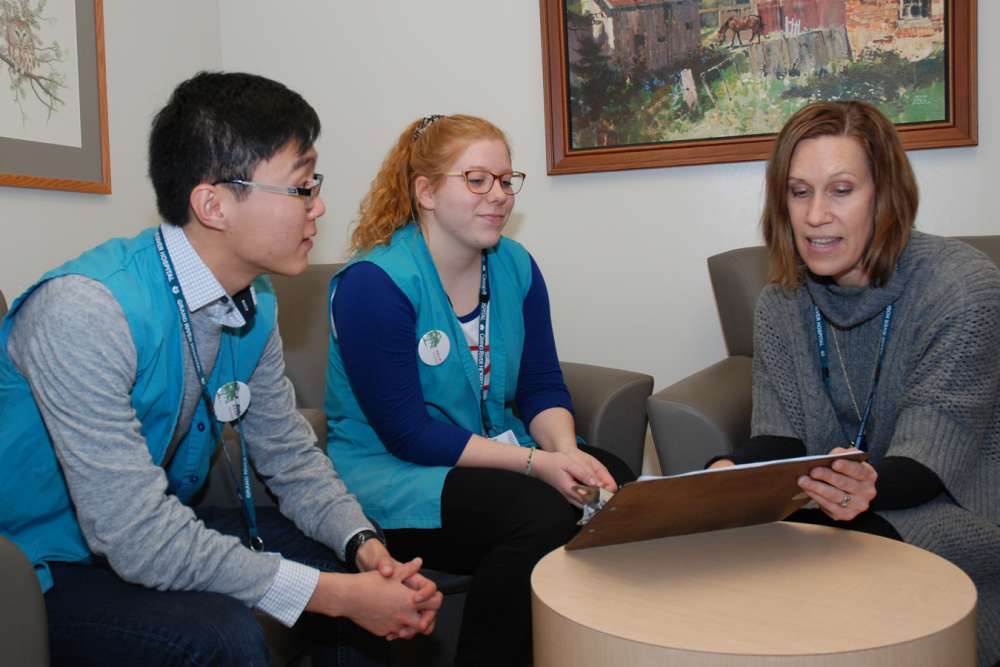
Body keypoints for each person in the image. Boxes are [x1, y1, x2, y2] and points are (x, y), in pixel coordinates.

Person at [0, 71, 441, 666]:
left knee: (354, 562)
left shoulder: (253, 305)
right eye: (301, 187)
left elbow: (287, 454)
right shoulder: (86, 310)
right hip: (36, 564)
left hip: (133, 535)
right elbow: (136, 537)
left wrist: (362, 547)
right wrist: (336, 598)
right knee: (218, 635)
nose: (319, 205)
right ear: (213, 204)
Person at [324, 114, 636, 666]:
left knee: (617, 484)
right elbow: (409, 434)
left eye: (506, 180)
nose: (498, 196)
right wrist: (539, 464)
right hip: (392, 473)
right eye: (477, 180)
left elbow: (540, 385)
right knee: (541, 515)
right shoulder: (374, 284)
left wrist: (565, 454)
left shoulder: (515, 266)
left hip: (488, 453)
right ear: (425, 191)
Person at [710, 100, 1000, 665]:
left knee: (820, 558)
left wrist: (844, 487)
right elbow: (781, 439)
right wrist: (727, 476)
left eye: (841, 190)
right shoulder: (781, 301)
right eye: (799, 192)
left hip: (956, 506)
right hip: (839, 502)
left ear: (886, 197)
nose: (815, 215)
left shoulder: (962, 288)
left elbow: (927, 462)